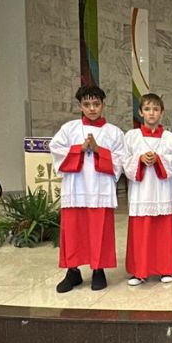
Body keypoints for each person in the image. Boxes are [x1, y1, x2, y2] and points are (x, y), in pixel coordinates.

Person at [50, 85, 125, 293]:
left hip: (100, 189)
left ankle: (98, 269)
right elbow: (56, 151)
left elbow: (120, 161)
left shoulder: (114, 132)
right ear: (80, 106)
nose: (92, 109)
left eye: (96, 104)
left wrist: (99, 150)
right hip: (76, 189)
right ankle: (72, 271)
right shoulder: (69, 129)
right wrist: (79, 149)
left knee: (99, 230)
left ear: (103, 105)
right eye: (87, 104)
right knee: (74, 231)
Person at [123, 93, 172, 285]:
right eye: (147, 109)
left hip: (162, 191)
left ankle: (166, 269)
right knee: (141, 232)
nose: (151, 113)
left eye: (156, 109)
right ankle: (140, 271)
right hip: (141, 193)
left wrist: (159, 160)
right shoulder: (132, 136)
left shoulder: (170, 137)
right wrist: (139, 159)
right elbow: (124, 162)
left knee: (162, 232)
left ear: (162, 112)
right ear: (140, 112)